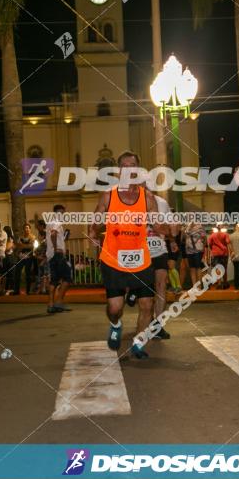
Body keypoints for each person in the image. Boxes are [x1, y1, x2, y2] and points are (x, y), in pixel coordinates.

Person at [88, 151, 167, 359]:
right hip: (113, 258)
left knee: (147, 304)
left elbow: (158, 223)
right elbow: (97, 217)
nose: (128, 169)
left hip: (141, 259)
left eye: (133, 165)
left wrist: (167, 229)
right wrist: (93, 231)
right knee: (115, 308)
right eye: (124, 165)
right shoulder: (109, 195)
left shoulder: (147, 197)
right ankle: (115, 324)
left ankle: (139, 344)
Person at [147, 194, 177, 340]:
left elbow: (170, 225)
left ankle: (157, 325)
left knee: (161, 286)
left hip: (159, 250)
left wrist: (172, 240)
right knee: (143, 291)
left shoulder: (162, 202)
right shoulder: (131, 201)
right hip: (139, 253)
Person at [46, 205, 72, 313]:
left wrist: (63, 238)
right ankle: (59, 302)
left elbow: (53, 235)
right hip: (57, 254)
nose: (62, 215)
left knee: (54, 280)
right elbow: (53, 234)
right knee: (67, 277)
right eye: (61, 213)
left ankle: (51, 305)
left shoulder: (50, 222)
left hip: (51, 255)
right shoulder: (57, 222)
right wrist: (57, 248)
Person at [12, 223, 35, 295]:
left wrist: (22, 246)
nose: (26, 229)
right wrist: (21, 248)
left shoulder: (32, 237)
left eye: (28, 228)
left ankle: (28, 291)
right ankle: (16, 290)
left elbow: (31, 246)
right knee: (17, 273)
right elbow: (18, 247)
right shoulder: (20, 237)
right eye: (25, 228)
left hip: (29, 257)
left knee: (28, 274)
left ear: (30, 229)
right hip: (21, 257)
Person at [183, 222, 206, 289]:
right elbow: (184, 237)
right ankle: (194, 286)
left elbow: (204, 238)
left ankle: (199, 286)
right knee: (192, 268)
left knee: (198, 268)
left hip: (198, 250)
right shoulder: (187, 227)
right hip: (189, 251)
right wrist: (187, 227)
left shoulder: (200, 226)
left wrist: (203, 248)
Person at [208, 223, 231, 289]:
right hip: (224, 253)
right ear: (221, 226)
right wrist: (232, 251)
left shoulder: (212, 235)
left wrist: (212, 250)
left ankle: (219, 282)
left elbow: (209, 244)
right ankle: (225, 282)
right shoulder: (225, 234)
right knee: (224, 268)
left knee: (217, 268)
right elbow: (228, 242)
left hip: (215, 253)